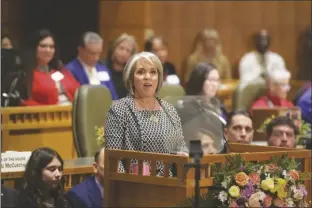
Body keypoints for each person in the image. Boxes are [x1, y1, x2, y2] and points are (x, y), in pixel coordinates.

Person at [104, 52, 188, 175]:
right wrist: (126, 185)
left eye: (153, 72)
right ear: (131, 78)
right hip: (135, 186)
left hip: (170, 184)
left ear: (159, 78)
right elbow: (113, 159)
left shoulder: (169, 110)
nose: (147, 77)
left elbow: (180, 146)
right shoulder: (119, 110)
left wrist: (183, 154)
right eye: (141, 72)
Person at [19, 29, 80, 106]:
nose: (48, 50)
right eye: (43, 46)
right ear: (33, 48)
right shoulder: (27, 75)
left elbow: (79, 92)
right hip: (48, 115)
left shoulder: (62, 71)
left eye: (51, 47)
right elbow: (25, 102)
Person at [66, 32, 118, 100]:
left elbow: (113, 95)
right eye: (92, 53)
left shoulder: (103, 69)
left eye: (99, 53)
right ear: (80, 50)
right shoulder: (70, 70)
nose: (96, 57)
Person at [100, 33, 137, 98]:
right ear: (114, 49)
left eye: (128, 51)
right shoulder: (101, 66)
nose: (124, 53)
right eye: (121, 48)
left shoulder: (132, 73)